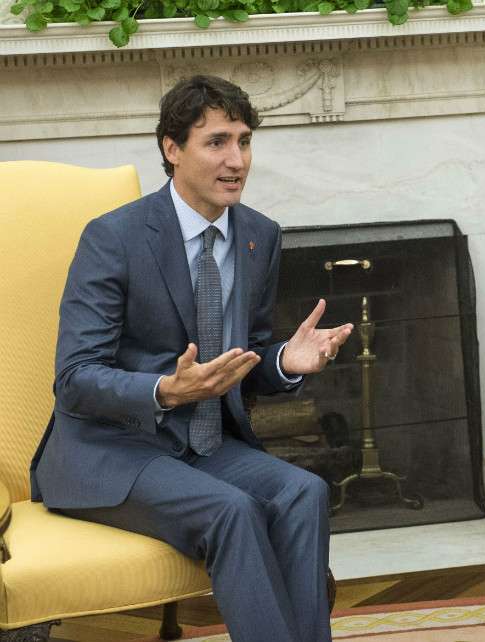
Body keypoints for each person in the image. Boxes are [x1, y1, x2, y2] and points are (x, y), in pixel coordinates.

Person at [29, 75, 352, 642]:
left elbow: (241, 360)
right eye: (217, 142)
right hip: (110, 452)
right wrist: (165, 391)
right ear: (171, 149)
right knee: (233, 510)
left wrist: (282, 363)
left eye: (245, 141)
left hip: (202, 447)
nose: (237, 160)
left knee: (306, 491)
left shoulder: (259, 235)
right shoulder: (113, 238)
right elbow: (74, 379)